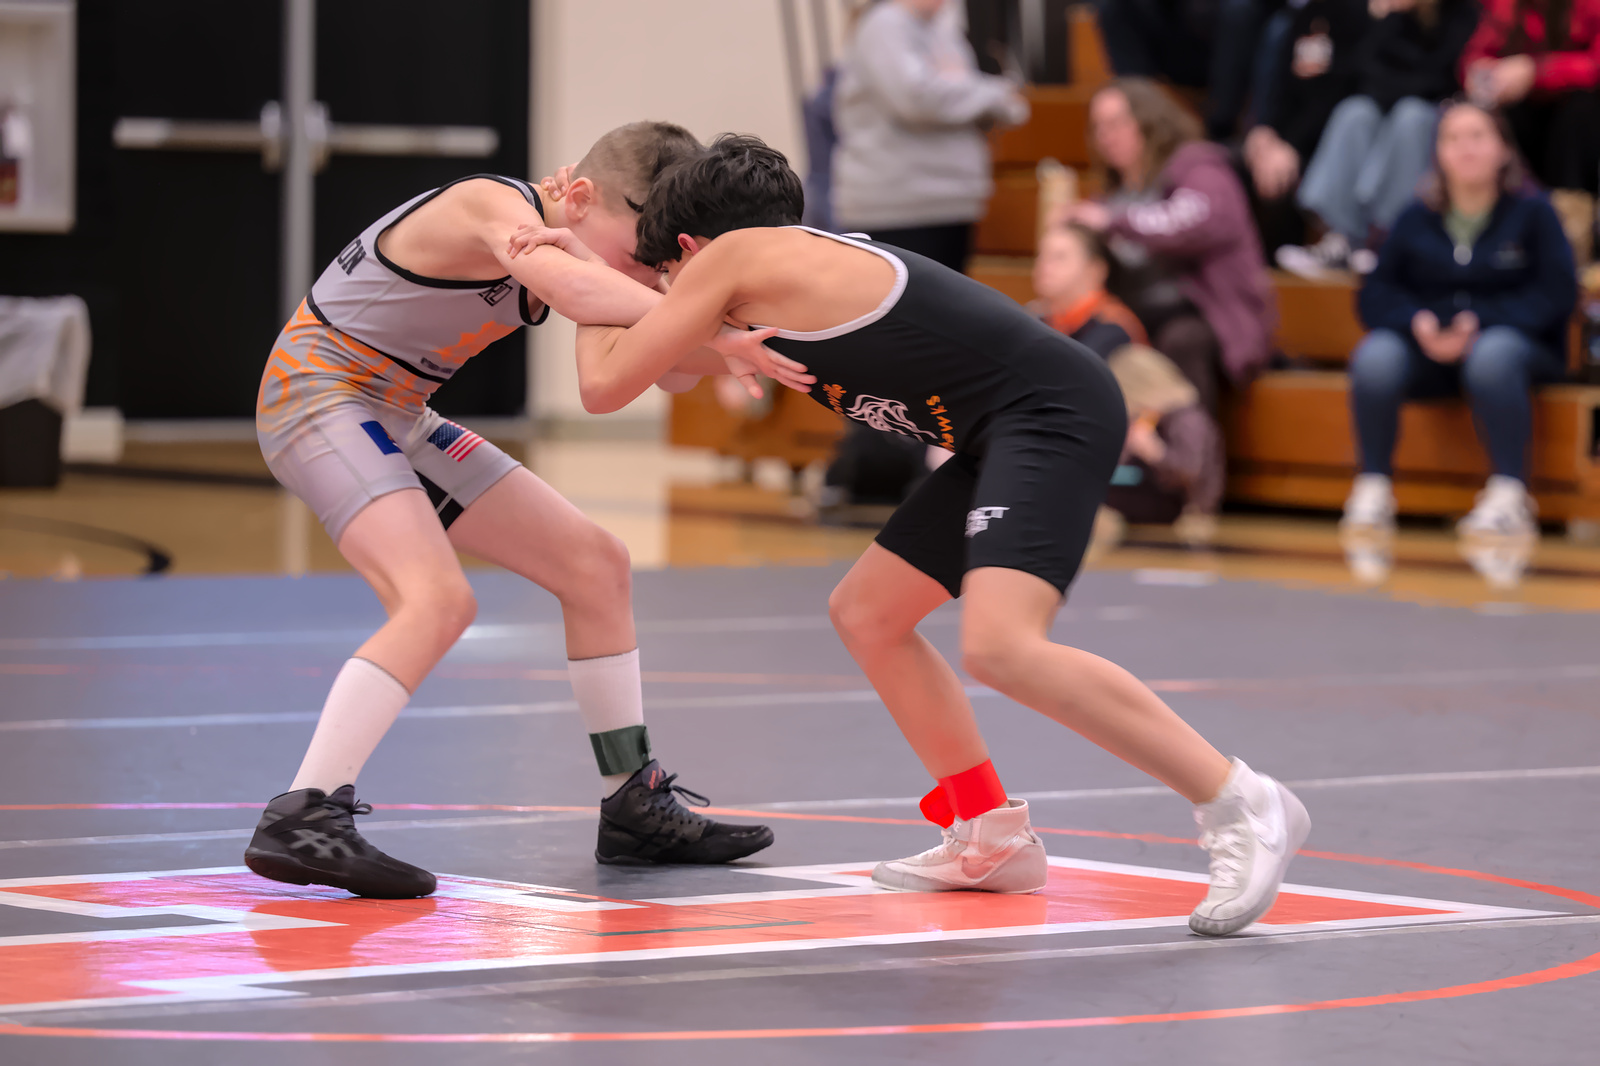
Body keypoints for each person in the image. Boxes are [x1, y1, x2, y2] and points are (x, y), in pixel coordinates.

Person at [519, 135, 1311, 937]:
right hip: (1006, 430)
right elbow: (673, 367)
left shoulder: (736, 259)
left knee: (1003, 647)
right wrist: (606, 275)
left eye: (663, 275)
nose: (668, 294)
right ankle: (990, 832)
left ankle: (1240, 800)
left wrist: (580, 260)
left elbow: (607, 383)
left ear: (690, 249)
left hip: (1051, 415)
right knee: (869, 613)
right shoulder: (787, 274)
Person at [245, 122, 779, 900]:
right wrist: (709, 322)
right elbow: (587, 296)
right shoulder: (490, 206)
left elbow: (668, 371)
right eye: (641, 256)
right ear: (581, 196)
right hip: (317, 391)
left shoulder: (585, 247)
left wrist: (751, 341)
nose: (645, 274)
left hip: (396, 411)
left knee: (596, 565)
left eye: (660, 263)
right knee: (436, 599)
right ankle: (304, 811)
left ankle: (633, 804)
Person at [1343, 101, 1578, 537]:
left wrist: (1479, 322)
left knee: (1493, 355)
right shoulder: (1414, 217)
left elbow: (1556, 293)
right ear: (1438, 153)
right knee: (1375, 358)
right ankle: (1373, 485)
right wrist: (1418, 322)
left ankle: (1510, 493)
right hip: (1428, 347)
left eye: (1477, 136)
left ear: (1504, 149)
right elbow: (1374, 294)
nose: (1465, 148)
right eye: (1452, 138)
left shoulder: (1534, 213)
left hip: (1515, 348)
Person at [1064, 78, 1274, 415]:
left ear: (1149, 120)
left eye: (1116, 123)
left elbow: (1189, 222)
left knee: (1180, 338)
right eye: (1098, 127)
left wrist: (1114, 221)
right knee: (1090, 337)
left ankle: (1194, 444)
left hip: (1211, 318)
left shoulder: (1198, 165)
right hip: (1140, 314)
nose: (1105, 136)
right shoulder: (1112, 195)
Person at [1278, 0, 1481, 277]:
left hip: (1434, 112)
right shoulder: (1390, 18)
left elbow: (1440, 79)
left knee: (1410, 115)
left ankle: (1388, 238)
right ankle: (1343, 237)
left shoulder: (1461, 14)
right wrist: (1383, 21)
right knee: (1356, 111)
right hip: (1387, 105)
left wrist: (1392, 87)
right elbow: (1361, 70)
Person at [832, 0, 1028, 270]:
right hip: (899, 207)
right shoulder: (885, 25)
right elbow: (917, 97)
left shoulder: (942, 30)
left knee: (952, 294)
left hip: (951, 201)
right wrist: (993, 93)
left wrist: (970, 92)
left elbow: (964, 94)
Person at [1460, 0, 1600, 267]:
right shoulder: (1506, 6)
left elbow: (1595, 65)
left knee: (1580, 110)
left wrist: (1537, 72)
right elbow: (1475, 55)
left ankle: (1571, 230)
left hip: (1579, 128)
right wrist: (1482, 74)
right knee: (1490, 119)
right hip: (1525, 118)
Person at [1241, 0, 1374, 256]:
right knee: (1238, 166)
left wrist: (1291, 145)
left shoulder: (1360, 17)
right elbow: (1283, 83)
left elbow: (1339, 94)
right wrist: (1266, 129)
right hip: (1290, 135)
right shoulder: (1307, 14)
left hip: (1328, 141)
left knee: (1283, 180)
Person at [1102, 344, 1226, 541]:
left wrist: (1153, 450)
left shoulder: (1187, 418)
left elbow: (1189, 473)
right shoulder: (1148, 416)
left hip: (1181, 507)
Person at [1031, 222, 1149, 359]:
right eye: (1041, 255)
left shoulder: (1114, 326)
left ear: (1096, 269)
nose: (1044, 265)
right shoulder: (1038, 317)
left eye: (1059, 257)